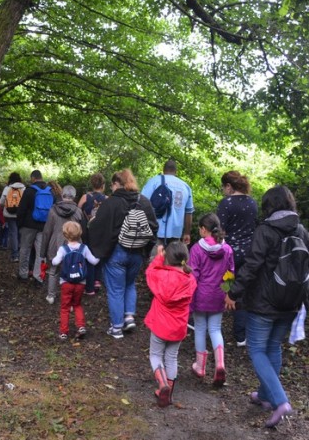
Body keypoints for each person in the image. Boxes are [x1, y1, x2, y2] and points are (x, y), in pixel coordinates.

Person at [225, 185, 309, 428]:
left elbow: (252, 266)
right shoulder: (302, 230)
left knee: (256, 349)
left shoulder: (265, 230)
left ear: (269, 206)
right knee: (273, 346)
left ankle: (280, 401)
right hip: (291, 303)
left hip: (264, 303)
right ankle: (266, 396)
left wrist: (234, 293)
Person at [88, 169, 158, 339]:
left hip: (116, 252)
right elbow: (153, 228)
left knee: (115, 290)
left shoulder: (112, 202)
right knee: (130, 284)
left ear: (117, 184)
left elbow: (99, 228)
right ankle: (129, 317)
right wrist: (146, 251)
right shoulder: (144, 201)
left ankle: (117, 327)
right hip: (137, 252)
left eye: (112, 185)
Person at [143, 242, 197, 407]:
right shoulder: (190, 279)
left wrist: (159, 257)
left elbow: (150, 272)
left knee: (155, 355)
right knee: (172, 357)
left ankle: (162, 384)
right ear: (185, 258)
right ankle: (169, 392)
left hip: (160, 325)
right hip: (178, 326)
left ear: (167, 258)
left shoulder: (161, 276)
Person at [187, 213, 234, 387]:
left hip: (201, 294)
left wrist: (189, 297)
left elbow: (194, 275)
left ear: (203, 230)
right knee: (215, 329)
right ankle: (220, 363)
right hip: (219, 294)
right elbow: (231, 273)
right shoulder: (227, 249)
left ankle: (200, 366)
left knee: (200, 328)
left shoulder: (196, 249)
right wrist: (228, 293)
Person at [218, 171, 259, 347]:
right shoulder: (252, 202)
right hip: (249, 253)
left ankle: (213, 327)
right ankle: (241, 335)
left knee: (224, 286)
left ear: (229, 186)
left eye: (224, 187)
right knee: (241, 291)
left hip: (230, 254)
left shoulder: (226, 203)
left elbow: (220, 231)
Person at [50, 221, 100, 340]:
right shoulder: (84, 248)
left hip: (66, 282)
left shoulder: (63, 249)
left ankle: (63, 332)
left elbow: (55, 262)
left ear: (65, 235)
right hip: (80, 282)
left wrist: (53, 259)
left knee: (65, 307)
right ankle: (81, 326)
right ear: (80, 234)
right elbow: (93, 261)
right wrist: (100, 255)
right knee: (77, 304)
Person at [41, 185, 87, 305]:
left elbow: (47, 232)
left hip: (55, 245)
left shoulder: (53, 210)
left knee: (53, 271)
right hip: (73, 246)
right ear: (74, 197)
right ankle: (70, 299)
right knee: (71, 271)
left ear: (62, 195)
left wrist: (42, 252)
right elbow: (82, 231)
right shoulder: (78, 211)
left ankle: (51, 295)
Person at [140, 159, 195, 257]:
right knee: (172, 263)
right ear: (176, 171)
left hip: (155, 231)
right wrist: (187, 233)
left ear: (163, 170)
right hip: (176, 233)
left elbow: (142, 204)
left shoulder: (154, 181)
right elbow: (189, 212)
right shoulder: (186, 187)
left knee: (154, 263)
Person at [16, 170, 49, 286]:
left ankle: (23, 274)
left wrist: (19, 224)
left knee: (25, 249)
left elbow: (21, 209)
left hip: (28, 225)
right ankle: (38, 276)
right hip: (43, 226)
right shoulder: (49, 191)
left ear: (33, 178)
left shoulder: (29, 191)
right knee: (41, 252)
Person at [77, 172, 107, 296]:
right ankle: (97, 281)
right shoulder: (107, 199)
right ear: (103, 185)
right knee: (98, 254)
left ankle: (89, 286)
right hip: (101, 231)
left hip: (88, 231)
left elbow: (78, 211)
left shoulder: (85, 197)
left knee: (88, 257)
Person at [0, 172, 26, 262]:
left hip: (10, 214)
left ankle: (15, 255)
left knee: (13, 233)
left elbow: (1, 202)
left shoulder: (7, 189)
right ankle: (21, 252)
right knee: (20, 233)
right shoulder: (24, 188)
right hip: (21, 214)